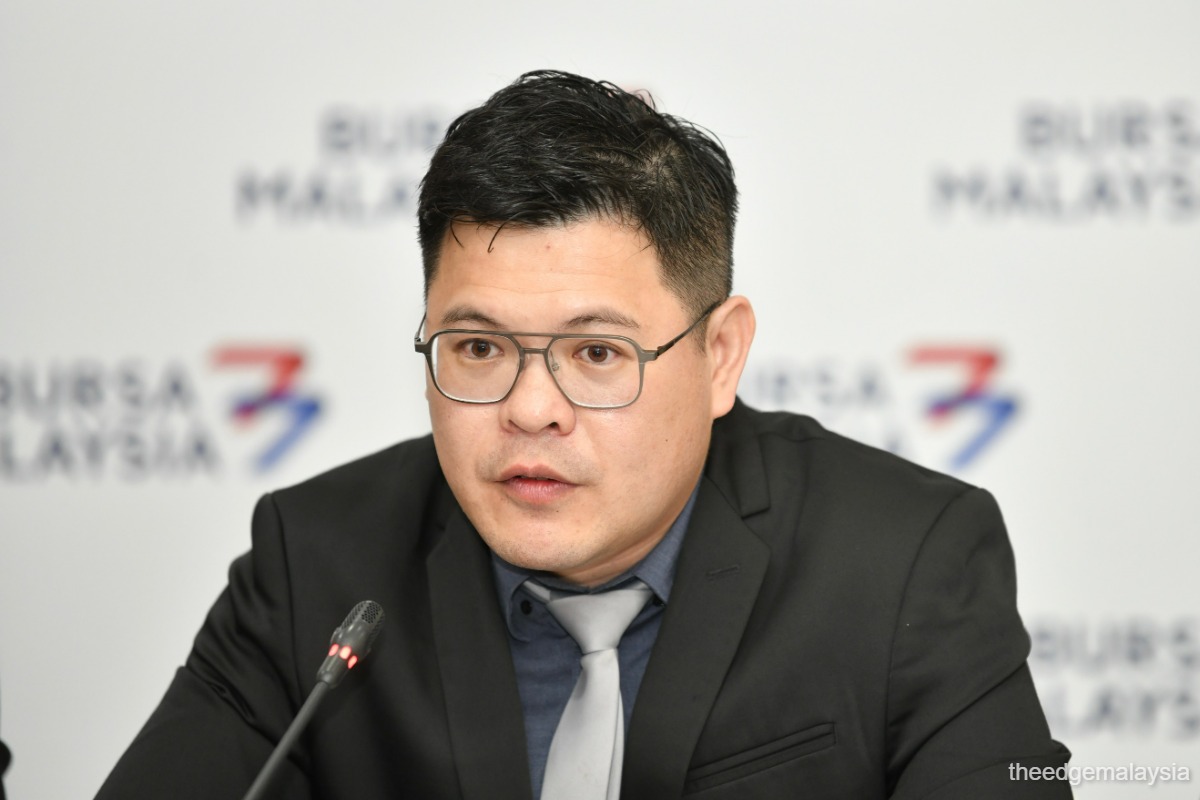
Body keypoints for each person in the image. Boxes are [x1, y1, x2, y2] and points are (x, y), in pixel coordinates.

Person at [97, 70, 1070, 799]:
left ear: (720, 355)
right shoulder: (316, 564)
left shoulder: (902, 563)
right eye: (479, 347)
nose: (530, 408)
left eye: (596, 353)